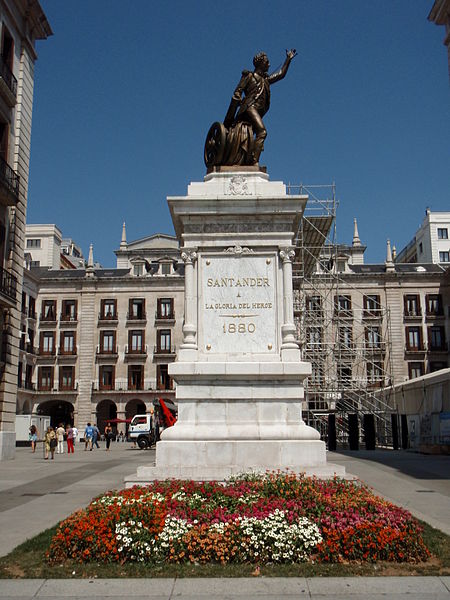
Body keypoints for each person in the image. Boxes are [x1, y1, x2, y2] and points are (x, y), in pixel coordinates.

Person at [223, 49, 297, 165]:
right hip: (249, 107)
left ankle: (250, 158)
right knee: (262, 131)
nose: (269, 64)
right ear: (260, 63)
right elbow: (238, 92)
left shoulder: (265, 80)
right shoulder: (249, 76)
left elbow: (281, 74)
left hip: (257, 110)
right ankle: (254, 161)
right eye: (267, 62)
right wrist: (238, 99)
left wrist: (288, 59)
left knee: (258, 133)